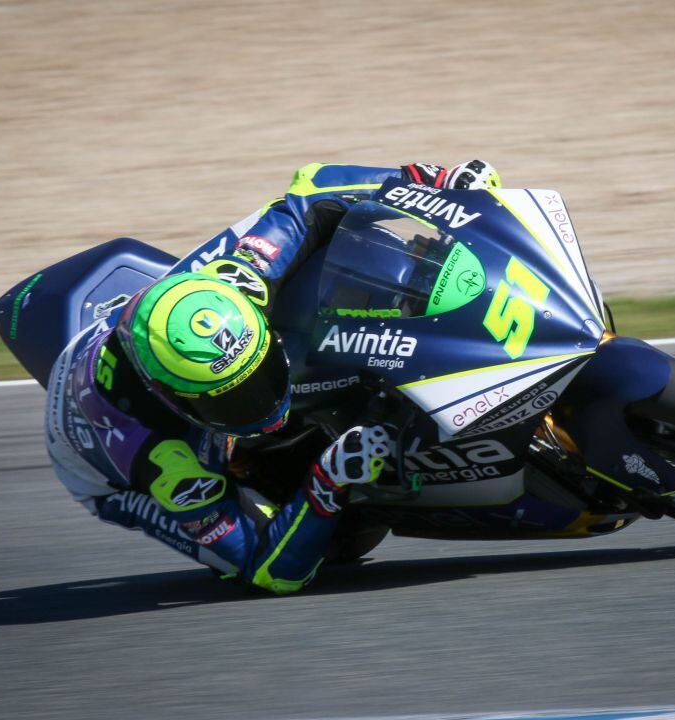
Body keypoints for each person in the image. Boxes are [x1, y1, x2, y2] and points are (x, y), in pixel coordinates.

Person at [44, 160, 502, 595]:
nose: (262, 402)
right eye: (233, 401)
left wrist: (430, 179)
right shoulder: (162, 461)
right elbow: (267, 571)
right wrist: (327, 479)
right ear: (175, 399)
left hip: (155, 335)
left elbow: (312, 188)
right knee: (339, 543)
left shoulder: (240, 280)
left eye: (259, 374)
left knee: (333, 279)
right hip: (107, 472)